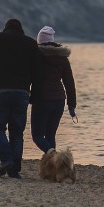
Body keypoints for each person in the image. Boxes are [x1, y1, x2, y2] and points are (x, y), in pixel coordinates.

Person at [0, 18, 41, 178]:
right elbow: (37, 73)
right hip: (22, 93)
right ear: (21, 30)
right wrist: (34, 95)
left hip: (0, 92)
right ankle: (14, 169)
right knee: (17, 131)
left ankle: (6, 159)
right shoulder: (30, 44)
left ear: (5, 28)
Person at [30, 25, 77, 153]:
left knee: (37, 136)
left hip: (42, 99)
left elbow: (29, 77)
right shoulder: (62, 58)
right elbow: (69, 82)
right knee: (50, 135)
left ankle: (54, 156)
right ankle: (53, 167)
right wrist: (72, 105)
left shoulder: (37, 57)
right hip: (59, 100)